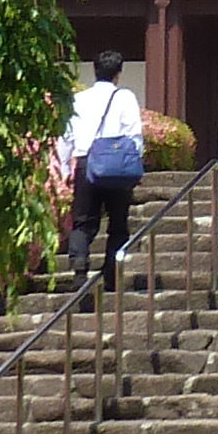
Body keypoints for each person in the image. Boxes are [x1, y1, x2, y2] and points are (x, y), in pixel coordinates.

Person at [55, 49, 148, 295]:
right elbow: (134, 135)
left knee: (83, 222)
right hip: (117, 166)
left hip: (87, 163)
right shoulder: (125, 97)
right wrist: (134, 163)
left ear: (94, 71)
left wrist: (65, 167)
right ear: (118, 74)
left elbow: (65, 136)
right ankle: (111, 274)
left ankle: (79, 265)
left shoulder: (78, 100)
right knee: (118, 223)